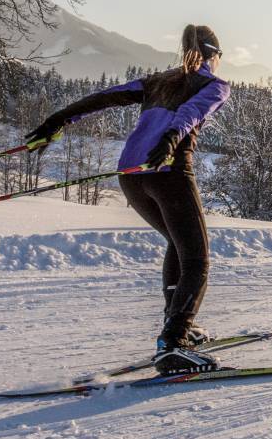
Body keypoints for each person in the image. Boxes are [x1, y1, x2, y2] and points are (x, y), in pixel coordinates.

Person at [25, 24, 231, 373]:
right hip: (168, 171)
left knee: (176, 242)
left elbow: (105, 97)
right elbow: (192, 113)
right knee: (197, 260)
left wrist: (58, 120)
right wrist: (171, 138)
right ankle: (173, 344)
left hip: (131, 176)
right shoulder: (214, 85)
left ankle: (177, 325)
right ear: (214, 55)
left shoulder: (157, 81)